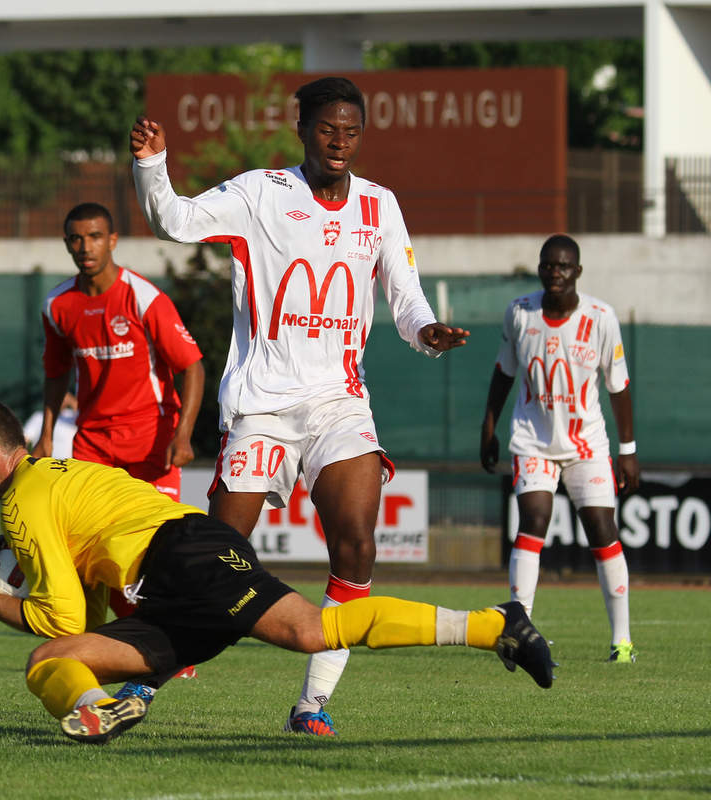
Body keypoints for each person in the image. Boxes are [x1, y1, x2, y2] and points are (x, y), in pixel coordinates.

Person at [130, 77, 471, 736]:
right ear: (303, 130)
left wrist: (428, 334)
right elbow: (173, 219)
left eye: (350, 130)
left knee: (359, 544)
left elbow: (407, 298)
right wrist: (152, 166)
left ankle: (313, 702)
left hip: (339, 403)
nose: (339, 142)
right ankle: (142, 681)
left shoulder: (380, 205)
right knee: (219, 558)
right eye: (327, 129)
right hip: (262, 407)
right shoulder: (261, 193)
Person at [0, 397, 553, 744]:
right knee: (50, 662)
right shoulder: (47, 482)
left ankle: (495, 623)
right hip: (168, 589)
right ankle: (101, 711)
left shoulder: (22, 499)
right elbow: (82, 622)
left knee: (312, 630)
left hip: (183, 556)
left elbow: (58, 614)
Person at [480, 233, 640, 663]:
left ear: (578, 272)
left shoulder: (601, 317)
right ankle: (518, 634)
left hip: (586, 443)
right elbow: (503, 373)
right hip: (532, 439)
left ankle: (621, 641)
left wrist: (628, 449)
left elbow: (618, 387)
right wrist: (488, 426)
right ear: (539, 269)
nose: (555, 273)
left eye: (564, 266)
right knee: (533, 520)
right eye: (548, 265)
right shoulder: (520, 312)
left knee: (602, 532)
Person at [33, 202, 205, 503]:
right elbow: (57, 372)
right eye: (77, 239)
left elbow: (193, 367)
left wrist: (184, 434)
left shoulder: (143, 297)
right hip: (92, 443)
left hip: (150, 438)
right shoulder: (57, 305)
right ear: (67, 245)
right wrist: (45, 436)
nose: (86, 247)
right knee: (93, 538)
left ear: (112, 240)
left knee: (154, 538)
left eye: (95, 236)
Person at [23, 392, 79, 458]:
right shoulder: (38, 417)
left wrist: (72, 401)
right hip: (46, 464)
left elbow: (84, 416)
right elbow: (25, 440)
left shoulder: (71, 415)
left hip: (71, 465)